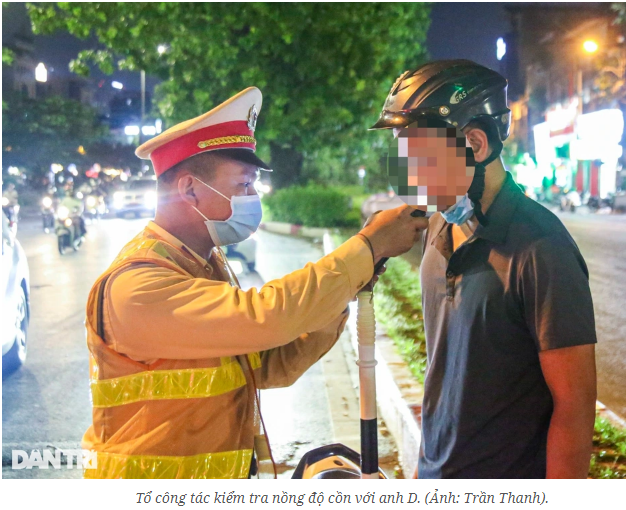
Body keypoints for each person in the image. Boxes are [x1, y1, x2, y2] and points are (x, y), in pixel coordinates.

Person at [82, 87, 428, 479]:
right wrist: (365, 248)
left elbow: (269, 366)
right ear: (190, 189)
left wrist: (347, 286)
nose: (253, 197)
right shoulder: (139, 286)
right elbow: (266, 316)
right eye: (243, 185)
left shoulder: (204, 264)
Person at [371, 61, 597, 479]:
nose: (408, 173)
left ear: (474, 144)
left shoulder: (543, 249)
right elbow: (447, 373)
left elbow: (575, 407)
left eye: (418, 156)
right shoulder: (440, 226)